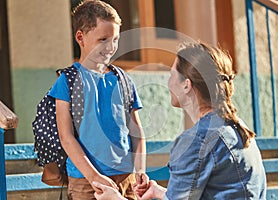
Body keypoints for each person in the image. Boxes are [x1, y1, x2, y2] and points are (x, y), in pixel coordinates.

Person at [93, 41, 267, 199]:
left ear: (186, 84)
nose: (168, 82)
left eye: (171, 74)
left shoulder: (195, 142)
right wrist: (161, 193)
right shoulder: (237, 127)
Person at [48, 0, 148, 199]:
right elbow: (66, 138)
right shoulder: (67, 82)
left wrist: (140, 169)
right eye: (103, 39)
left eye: (115, 39)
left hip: (126, 179)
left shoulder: (123, 80)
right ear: (80, 37)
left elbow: (136, 131)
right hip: (86, 181)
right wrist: (94, 177)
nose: (111, 47)